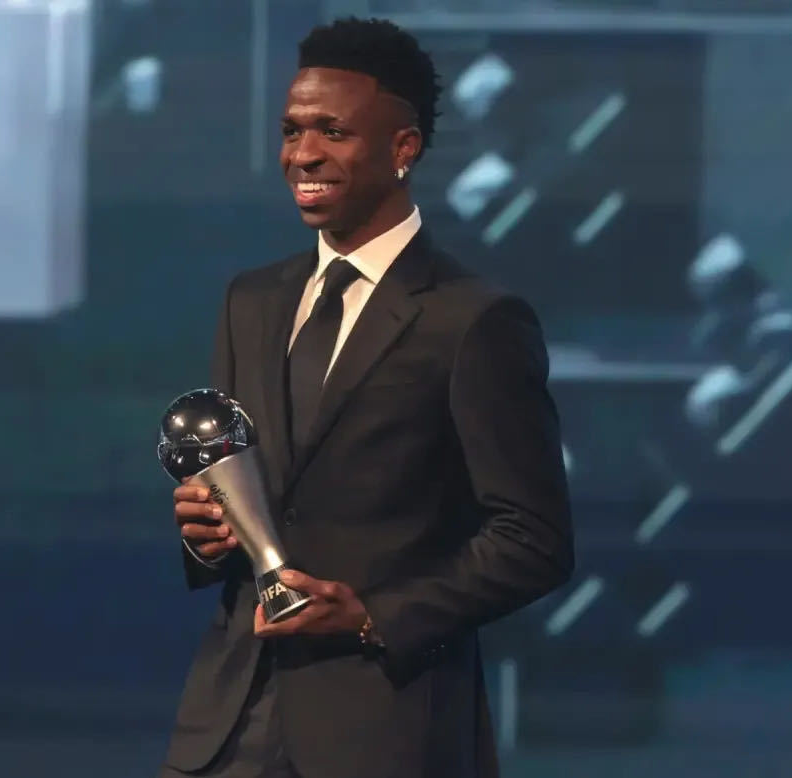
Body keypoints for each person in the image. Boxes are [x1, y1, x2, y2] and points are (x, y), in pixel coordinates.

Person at [160, 17, 573, 778]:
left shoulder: (473, 320)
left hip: (387, 732)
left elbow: (532, 541)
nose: (303, 154)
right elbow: (246, 499)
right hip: (228, 728)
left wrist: (371, 616)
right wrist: (206, 533)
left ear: (403, 147)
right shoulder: (250, 302)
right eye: (292, 131)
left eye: (333, 131)